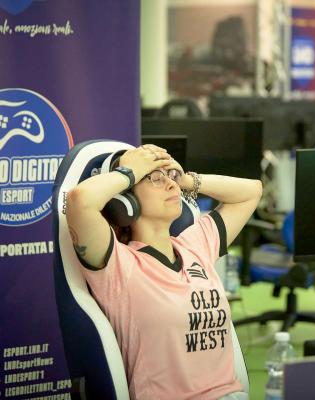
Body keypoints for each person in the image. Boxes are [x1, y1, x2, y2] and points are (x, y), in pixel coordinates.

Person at [66, 143, 262, 400]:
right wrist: (129, 172)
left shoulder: (196, 244)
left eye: (171, 177)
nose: (171, 185)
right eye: (155, 178)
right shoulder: (119, 264)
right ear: (125, 200)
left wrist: (187, 180)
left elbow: (251, 191)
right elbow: (79, 201)